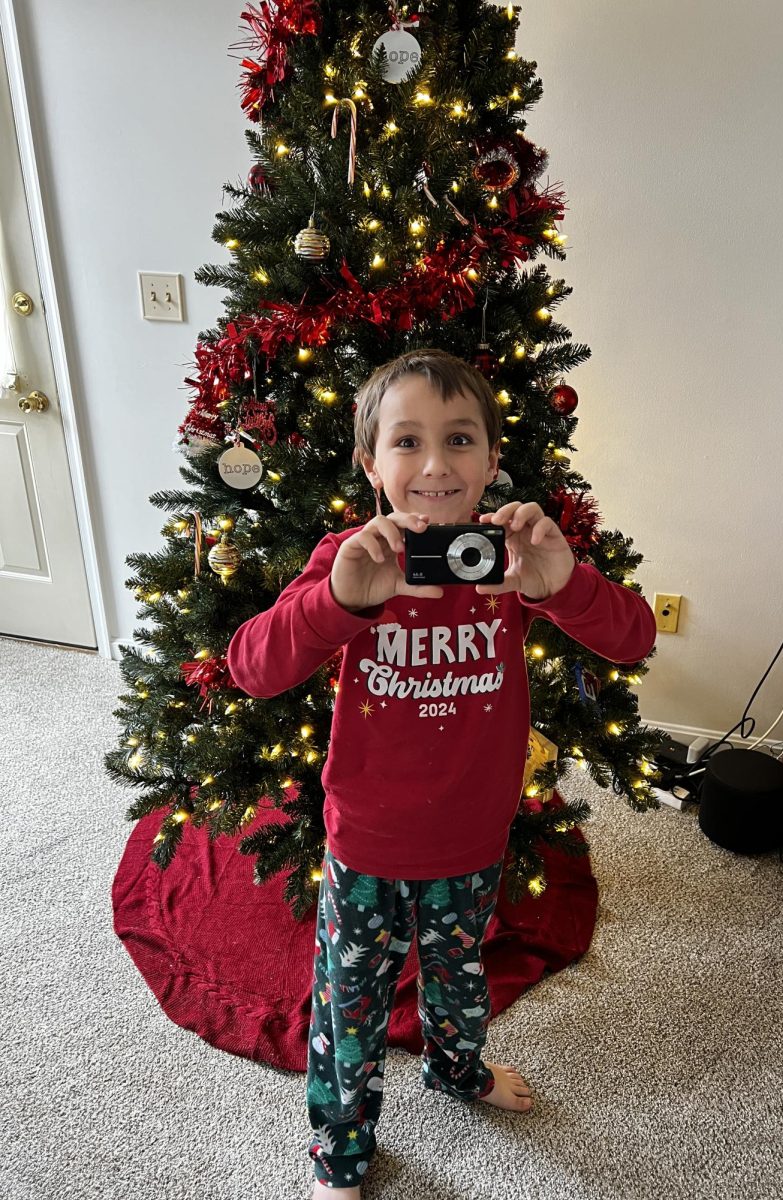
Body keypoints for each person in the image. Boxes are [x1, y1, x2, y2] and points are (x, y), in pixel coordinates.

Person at [226, 348, 657, 1198]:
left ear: (494, 462)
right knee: (349, 1006)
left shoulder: (510, 561)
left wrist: (564, 582)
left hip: (472, 833)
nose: (434, 465)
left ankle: (456, 1071)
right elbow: (252, 667)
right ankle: (341, 1150)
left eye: (460, 440)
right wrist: (342, 600)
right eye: (408, 442)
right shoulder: (349, 558)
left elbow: (634, 638)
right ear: (371, 463)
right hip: (369, 839)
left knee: (460, 976)